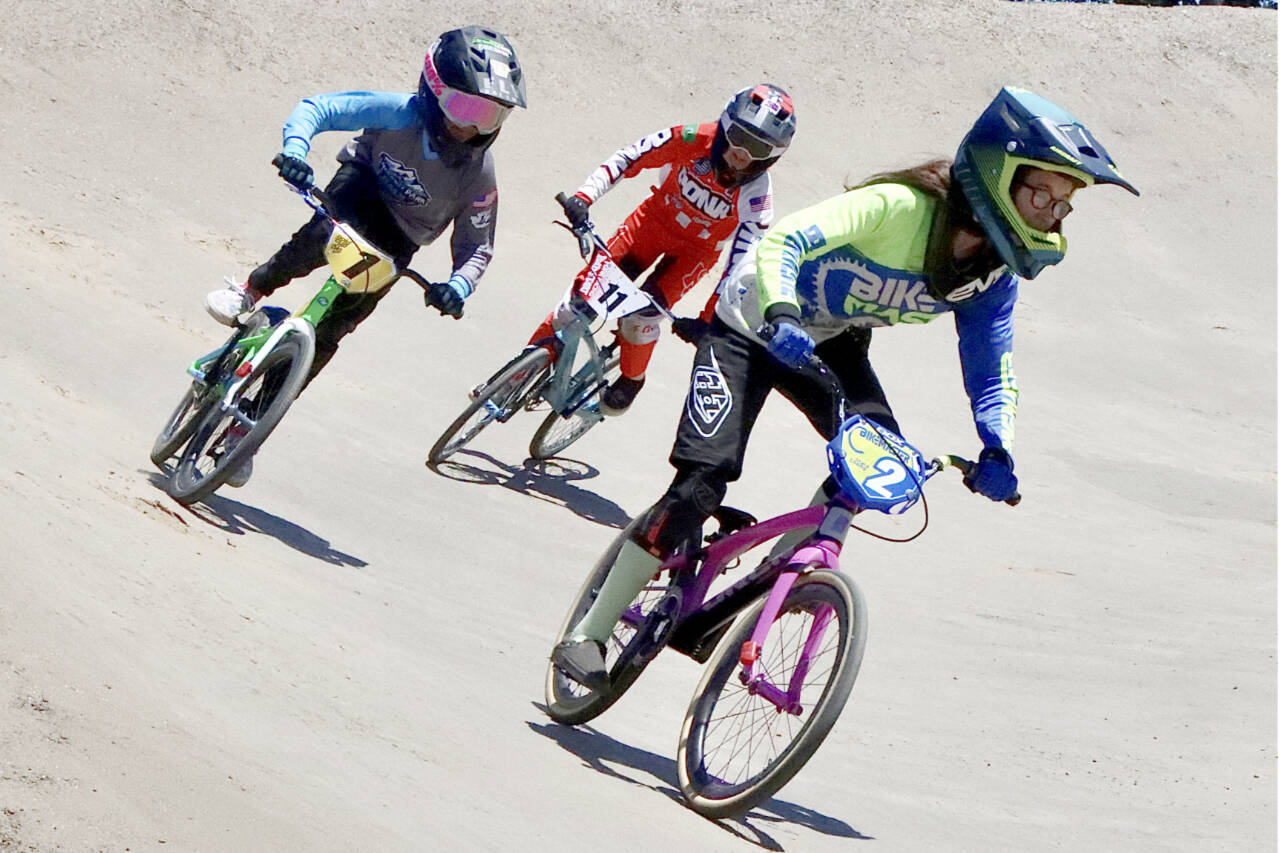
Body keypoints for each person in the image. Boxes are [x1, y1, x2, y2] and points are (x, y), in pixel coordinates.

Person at [552, 86, 1140, 687]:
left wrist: (998, 447)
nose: (1052, 212)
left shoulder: (992, 273)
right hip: (751, 326)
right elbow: (785, 241)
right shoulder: (900, 207)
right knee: (701, 486)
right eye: (1042, 192)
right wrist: (780, 311)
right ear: (998, 172)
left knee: (882, 466)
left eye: (1064, 203)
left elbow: (992, 367)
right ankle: (588, 632)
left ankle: (775, 578)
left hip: (829, 343)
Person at [201, 25, 526, 487]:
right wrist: (296, 149)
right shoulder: (401, 113)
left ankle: (245, 428)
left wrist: (458, 285)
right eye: (467, 108)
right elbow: (321, 107)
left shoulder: (479, 175)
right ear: (433, 91)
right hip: (361, 188)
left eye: (493, 116)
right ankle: (251, 289)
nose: (475, 127)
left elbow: (478, 245)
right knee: (319, 237)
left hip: (400, 239)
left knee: (332, 330)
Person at [523, 84, 796, 416]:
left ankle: (631, 379)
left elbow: (741, 260)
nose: (742, 153)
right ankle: (524, 364)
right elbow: (629, 157)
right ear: (724, 124)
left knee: (641, 318)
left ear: (773, 156)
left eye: (758, 147)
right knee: (579, 301)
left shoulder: (758, 195)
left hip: (693, 255)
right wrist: (584, 197)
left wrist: (708, 319)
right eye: (739, 137)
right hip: (648, 227)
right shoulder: (692, 138)